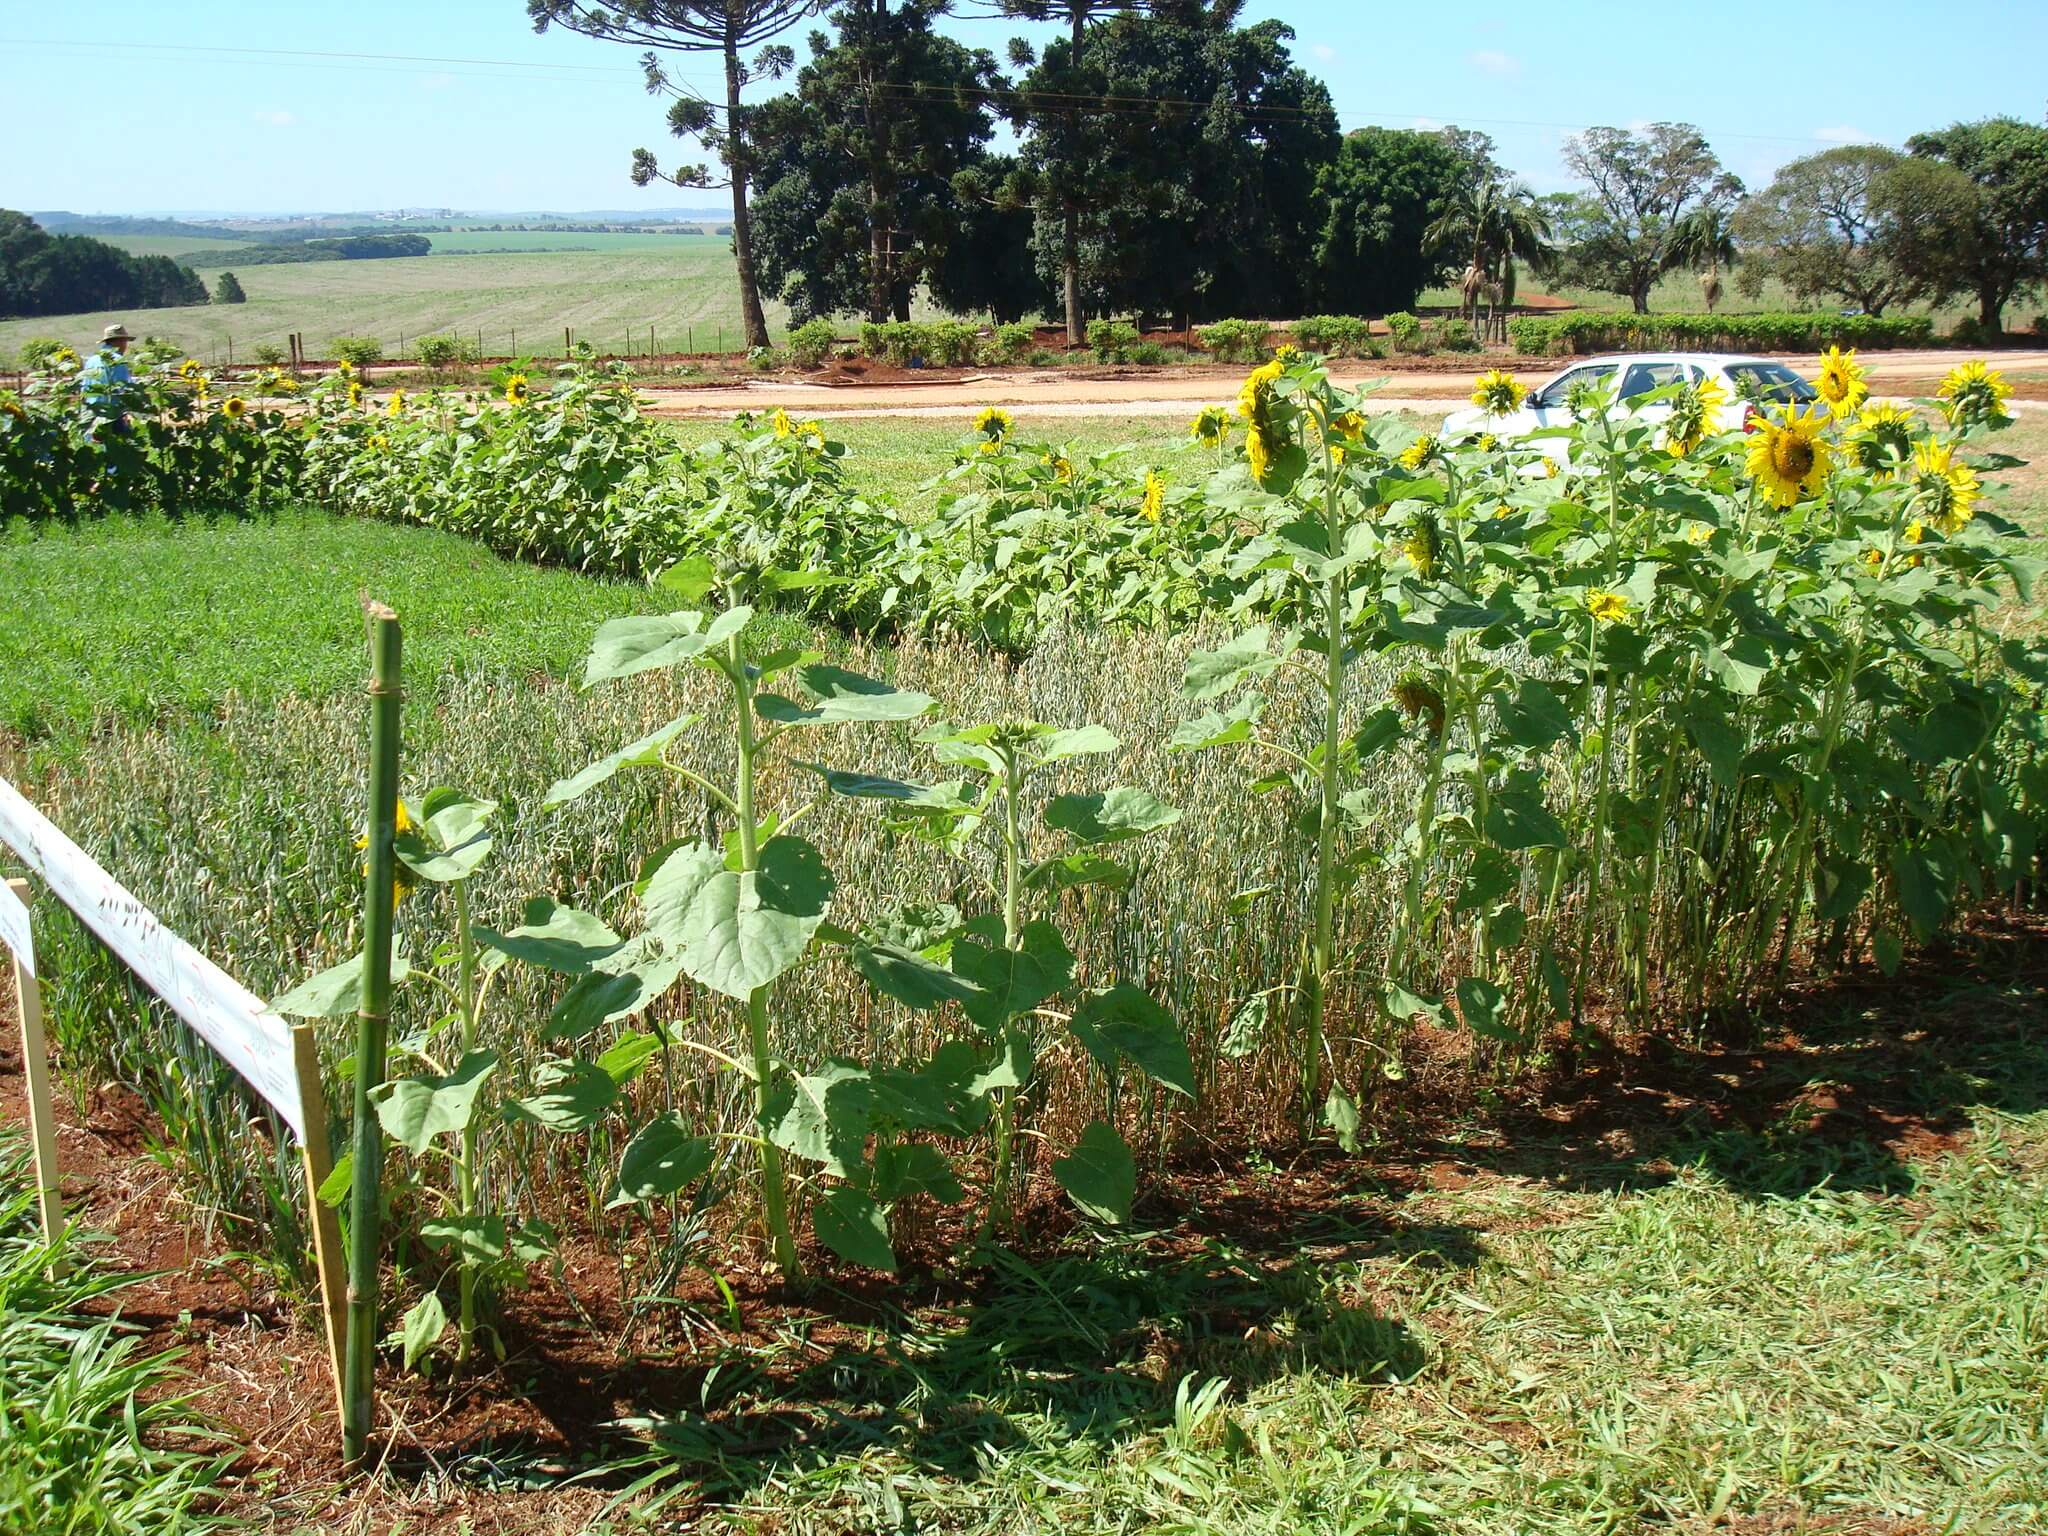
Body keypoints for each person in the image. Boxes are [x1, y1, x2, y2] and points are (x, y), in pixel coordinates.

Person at [79, 323, 134, 418]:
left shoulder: (91, 360)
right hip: (112, 414)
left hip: (92, 413)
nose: (125, 345)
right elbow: (124, 389)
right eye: (125, 341)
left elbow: (84, 391)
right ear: (120, 341)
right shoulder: (119, 361)